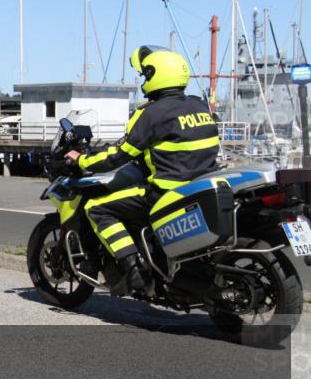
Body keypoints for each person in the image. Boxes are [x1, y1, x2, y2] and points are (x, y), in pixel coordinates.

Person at [64, 46, 220, 296]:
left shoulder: (150, 114)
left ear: (155, 75)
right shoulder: (199, 106)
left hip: (167, 191)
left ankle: (132, 269)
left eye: (146, 75)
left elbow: (120, 155)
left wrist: (82, 160)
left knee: (96, 207)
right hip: (200, 186)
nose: (144, 81)